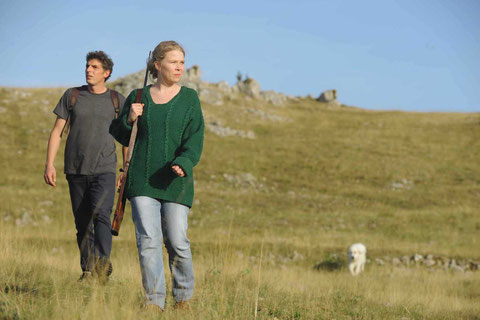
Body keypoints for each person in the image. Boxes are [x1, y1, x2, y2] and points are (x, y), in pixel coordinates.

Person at [109, 41, 204, 311]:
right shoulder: (138, 96)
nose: (179, 67)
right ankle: (153, 302)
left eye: (182, 62)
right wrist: (128, 117)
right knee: (148, 242)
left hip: (176, 182)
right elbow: (120, 134)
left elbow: (195, 138)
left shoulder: (189, 98)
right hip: (141, 181)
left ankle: (183, 297)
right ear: (157, 64)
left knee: (177, 240)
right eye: (173, 62)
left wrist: (184, 161)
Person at [44, 51, 126, 283]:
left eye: (95, 67)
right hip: (75, 168)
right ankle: (87, 270)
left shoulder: (117, 100)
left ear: (106, 73)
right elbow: (57, 132)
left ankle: (102, 265)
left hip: (105, 169)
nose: (89, 70)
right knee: (82, 223)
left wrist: (124, 170)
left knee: (102, 215)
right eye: (88, 66)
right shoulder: (72, 96)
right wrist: (49, 164)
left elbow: (126, 138)